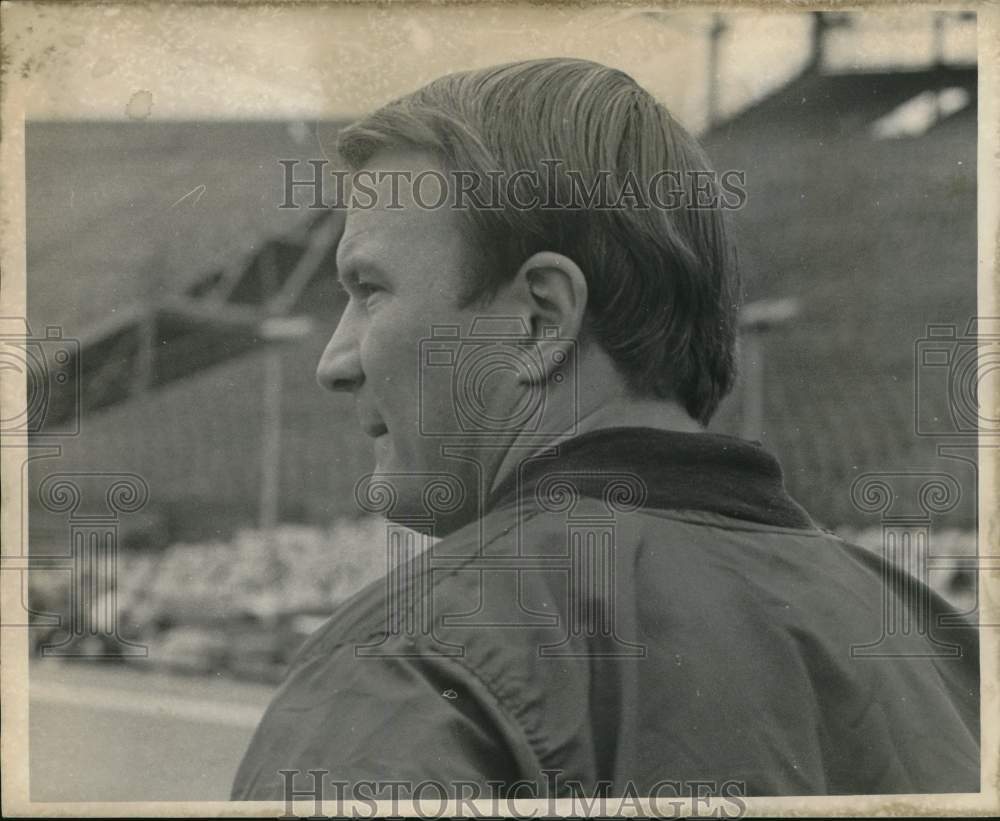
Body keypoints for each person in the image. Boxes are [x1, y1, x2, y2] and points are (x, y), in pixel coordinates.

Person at [232, 58, 979, 802]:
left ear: (540, 321)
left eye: (369, 291)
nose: (333, 362)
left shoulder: (410, 658)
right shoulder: (939, 647)